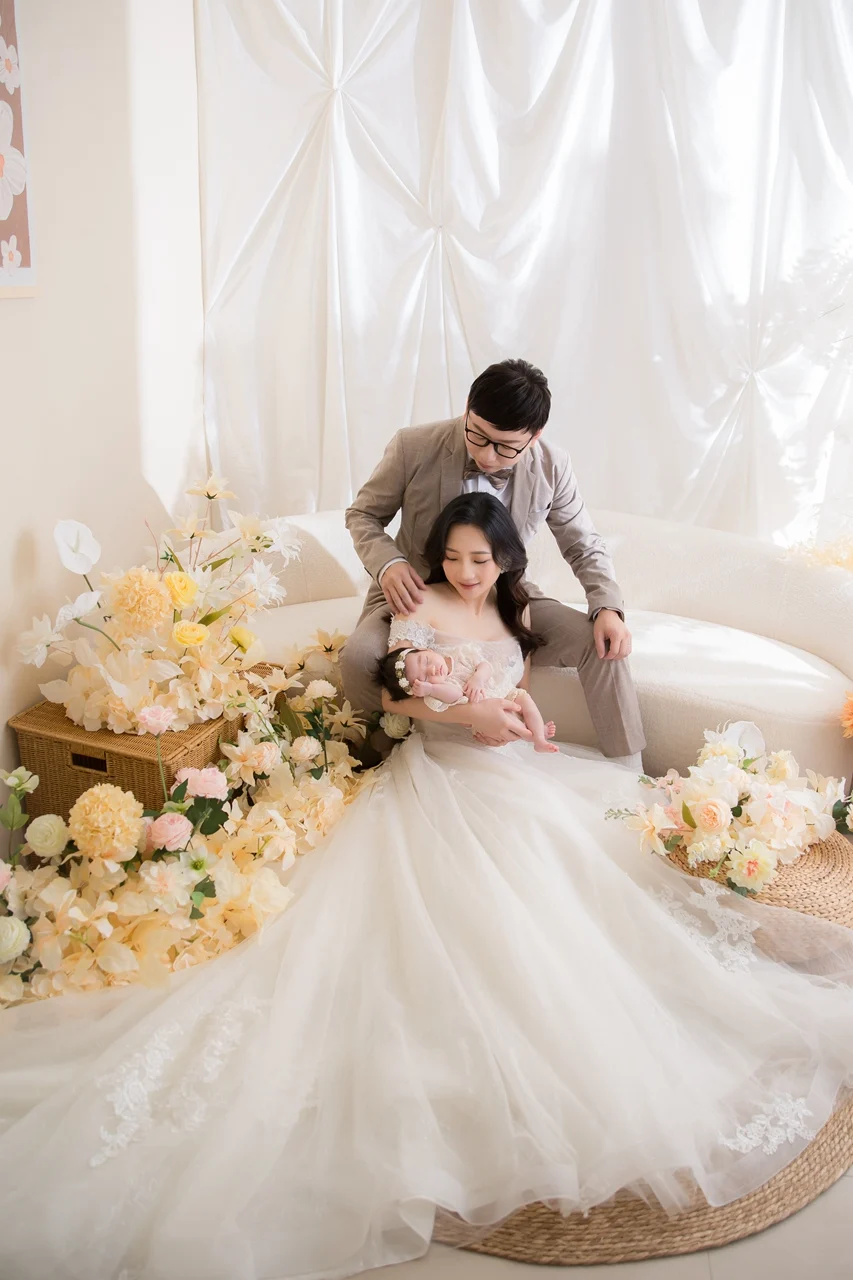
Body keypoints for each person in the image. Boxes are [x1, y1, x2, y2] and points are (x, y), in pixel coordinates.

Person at [4, 495, 853, 1280]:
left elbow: (517, 687)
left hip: (517, 774)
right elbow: (397, 699)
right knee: (454, 916)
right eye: (453, 557)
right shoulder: (417, 605)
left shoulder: (515, 611)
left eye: (481, 559)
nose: (465, 572)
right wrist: (466, 716)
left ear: (506, 560)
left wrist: (524, 719)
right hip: (440, 776)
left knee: (583, 893)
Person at [342, 357, 645, 768]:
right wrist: (389, 564)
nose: (487, 456)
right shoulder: (413, 445)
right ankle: (367, 759)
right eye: (478, 436)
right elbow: (362, 514)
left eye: (505, 447)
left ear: (535, 436)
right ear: (468, 407)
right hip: (413, 593)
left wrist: (607, 606)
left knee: (604, 644)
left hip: (500, 598)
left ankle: (629, 769)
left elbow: (583, 544)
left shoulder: (553, 466)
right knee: (360, 658)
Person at [376, 643, 558, 753]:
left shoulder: (460, 654)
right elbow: (455, 696)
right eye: (424, 677)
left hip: (504, 691)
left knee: (525, 701)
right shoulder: (442, 689)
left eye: (426, 660)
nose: (431, 669)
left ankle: (538, 736)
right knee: (508, 723)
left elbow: (486, 666)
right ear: (418, 692)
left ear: (425, 649)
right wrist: (431, 689)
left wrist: (478, 679)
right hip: (485, 714)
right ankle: (530, 735)